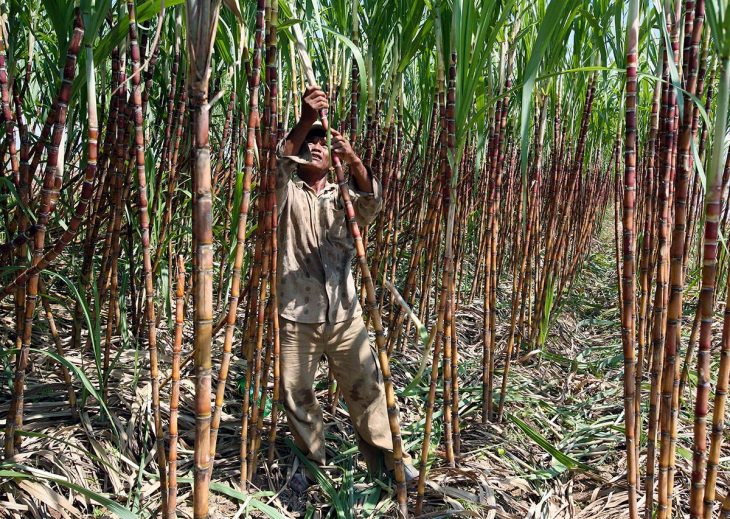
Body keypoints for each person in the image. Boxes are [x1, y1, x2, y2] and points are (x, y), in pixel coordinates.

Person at [274, 86, 417, 491]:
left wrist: (352, 159)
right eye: (310, 142)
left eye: (322, 142)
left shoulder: (344, 197)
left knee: (367, 390)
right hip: (296, 313)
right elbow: (275, 165)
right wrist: (305, 120)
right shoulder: (287, 191)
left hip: (345, 313)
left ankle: (390, 464)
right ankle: (311, 463)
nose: (315, 147)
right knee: (296, 392)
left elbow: (372, 201)